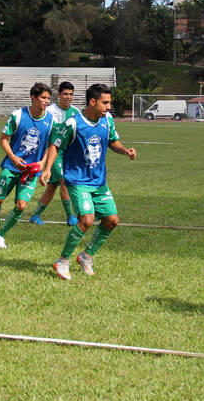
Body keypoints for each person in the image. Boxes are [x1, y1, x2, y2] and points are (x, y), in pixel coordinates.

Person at [43, 84, 137, 280]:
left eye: (109, 103)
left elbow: (112, 141)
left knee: (112, 220)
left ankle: (86, 256)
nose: (109, 107)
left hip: (99, 181)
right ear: (93, 102)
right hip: (77, 181)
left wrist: (125, 150)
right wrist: (48, 169)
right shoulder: (73, 123)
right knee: (86, 219)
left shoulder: (107, 120)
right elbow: (55, 145)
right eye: (105, 103)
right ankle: (62, 261)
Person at [0, 83, 55, 248]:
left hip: (31, 171)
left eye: (48, 98)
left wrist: (42, 162)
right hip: (11, 167)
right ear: (33, 97)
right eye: (43, 98)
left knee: (21, 205)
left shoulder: (51, 120)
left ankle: (1, 235)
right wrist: (13, 157)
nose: (46, 101)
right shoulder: (17, 115)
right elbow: (4, 139)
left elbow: (52, 145)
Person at [29, 82, 80, 226]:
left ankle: (35, 215)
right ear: (59, 95)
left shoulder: (76, 112)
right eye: (65, 94)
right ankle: (70, 217)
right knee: (64, 180)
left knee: (52, 187)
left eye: (71, 94)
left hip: (68, 154)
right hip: (53, 151)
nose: (68, 97)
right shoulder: (49, 111)